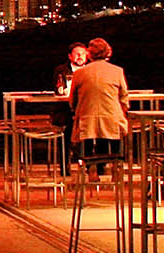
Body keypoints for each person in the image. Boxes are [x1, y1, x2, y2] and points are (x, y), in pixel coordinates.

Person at [69, 37, 129, 172]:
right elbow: (124, 97)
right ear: (108, 52)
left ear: (89, 54)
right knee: (110, 130)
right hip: (112, 118)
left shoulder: (79, 73)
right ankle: (114, 164)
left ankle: (91, 166)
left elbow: (72, 99)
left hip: (87, 120)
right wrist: (123, 110)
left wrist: (76, 110)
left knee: (89, 133)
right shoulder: (117, 71)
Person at [50, 42, 88, 172]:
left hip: (86, 111)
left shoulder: (90, 70)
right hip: (65, 110)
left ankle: (92, 164)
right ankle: (66, 165)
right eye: (77, 54)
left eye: (83, 54)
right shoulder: (61, 70)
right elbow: (58, 90)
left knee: (90, 126)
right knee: (70, 127)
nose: (80, 57)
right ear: (70, 56)